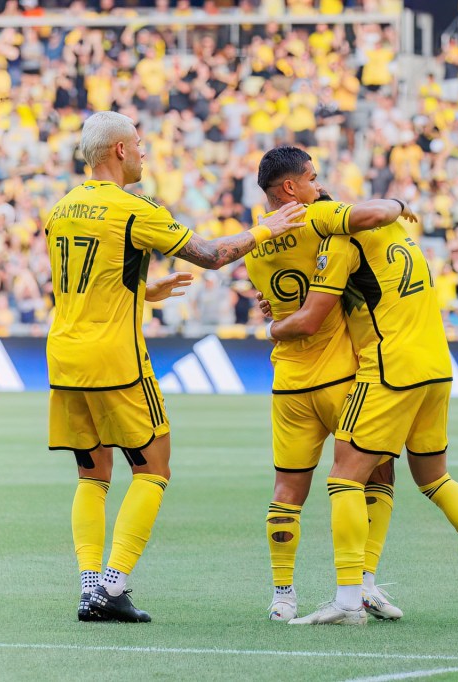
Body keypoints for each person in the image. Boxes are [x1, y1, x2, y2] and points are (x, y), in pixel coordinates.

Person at [47, 111, 304, 623]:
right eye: (139, 144)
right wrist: (265, 228)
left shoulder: (60, 208)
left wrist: (142, 289)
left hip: (64, 355)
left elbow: (84, 280)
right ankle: (113, 586)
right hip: (115, 357)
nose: (144, 152)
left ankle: (89, 586)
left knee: (92, 475)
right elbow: (210, 255)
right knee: (154, 467)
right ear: (120, 150)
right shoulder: (134, 208)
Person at [261, 146, 458, 625]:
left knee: (344, 478)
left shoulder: (341, 240)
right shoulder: (399, 232)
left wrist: (274, 324)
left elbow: (314, 315)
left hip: (389, 366)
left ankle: (348, 600)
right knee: (435, 478)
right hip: (437, 366)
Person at [245, 147, 401, 623]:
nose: (318, 185)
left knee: (287, 490)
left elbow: (272, 301)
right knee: (375, 474)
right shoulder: (318, 218)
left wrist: (272, 320)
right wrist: (398, 204)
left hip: (289, 382)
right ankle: (362, 584)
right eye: (312, 178)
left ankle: (282, 595)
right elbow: (372, 215)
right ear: (290, 187)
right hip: (341, 378)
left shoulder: (256, 240)